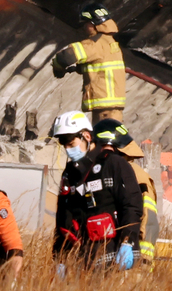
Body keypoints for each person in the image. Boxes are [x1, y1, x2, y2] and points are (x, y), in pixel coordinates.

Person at [52, 111, 143, 268]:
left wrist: (127, 242)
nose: (68, 149)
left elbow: (132, 205)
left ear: (87, 137)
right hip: (86, 259)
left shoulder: (113, 164)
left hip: (116, 255)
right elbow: (63, 218)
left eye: (71, 144)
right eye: (64, 145)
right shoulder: (70, 173)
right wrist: (60, 257)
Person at [95, 119, 160, 267]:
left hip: (130, 259)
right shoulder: (106, 172)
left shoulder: (137, 176)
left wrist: (142, 260)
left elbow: (148, 220)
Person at [50, 4, 126, 123]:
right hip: (112, 102)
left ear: (93, 23)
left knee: (104, 137)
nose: (84, 27)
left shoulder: (94, 43)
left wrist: (58, 68)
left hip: (104, 102)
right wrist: (79, 68)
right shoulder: (110, 42)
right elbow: (98, 65)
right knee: (110, 137)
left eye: (85, 23)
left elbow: (66, 57)